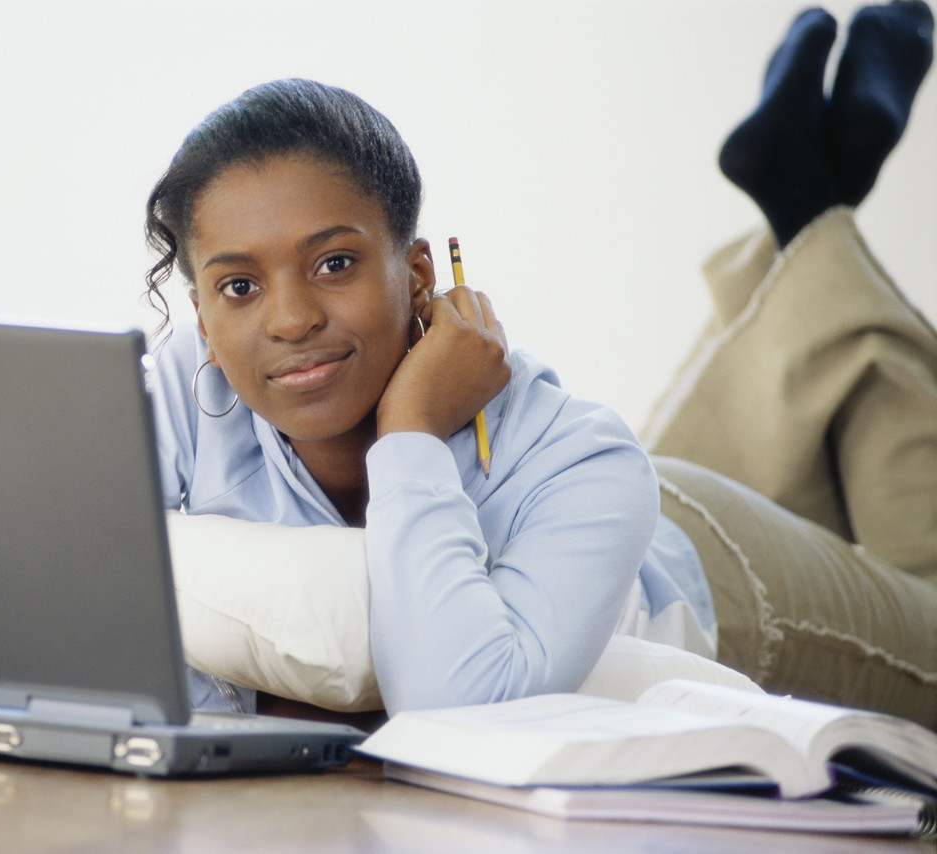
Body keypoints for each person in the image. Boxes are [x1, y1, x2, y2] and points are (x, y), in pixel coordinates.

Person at [142, 2, 937, 728]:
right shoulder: (176, 394)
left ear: (418, 272)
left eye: (335, 264)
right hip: (604, 514)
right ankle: (805, 191)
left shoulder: (580, 452)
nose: (289, 318)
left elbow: (459, 710)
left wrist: (411, 430)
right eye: (239, 285)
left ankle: (805, 206)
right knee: (800, 406)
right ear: (204, 317)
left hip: (725, 580)